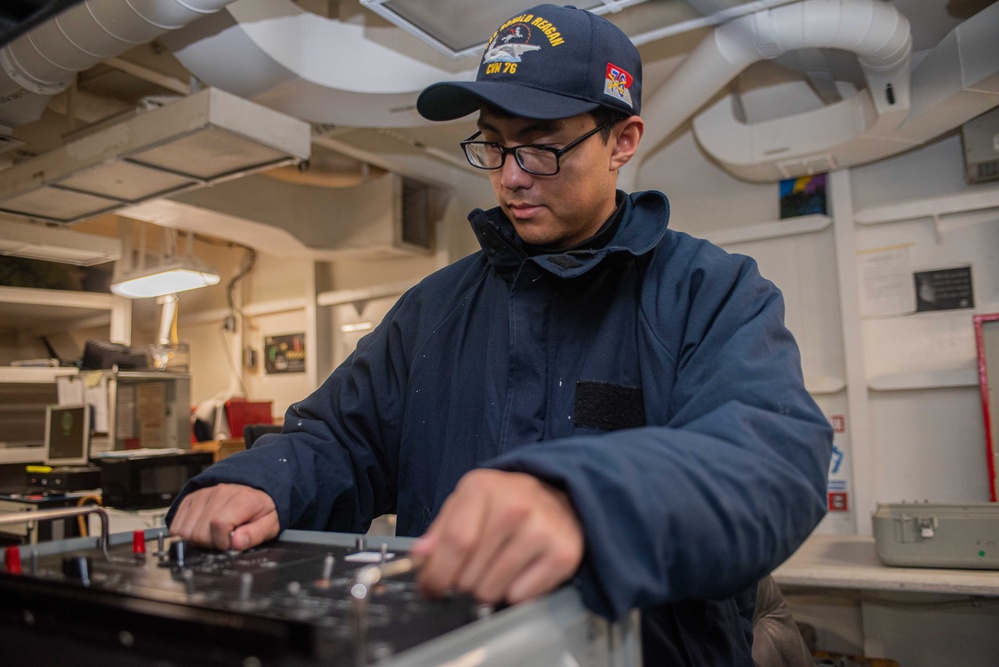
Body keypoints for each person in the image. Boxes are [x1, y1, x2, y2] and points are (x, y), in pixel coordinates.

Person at [168, 5, 833, 664]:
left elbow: (769, 459)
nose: (510, 175)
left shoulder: (707, 291)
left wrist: (585, 500)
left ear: (621, 141)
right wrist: (262, 480)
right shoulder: (433, 308)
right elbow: (340, 438)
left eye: (542, 145)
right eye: (493, 143)